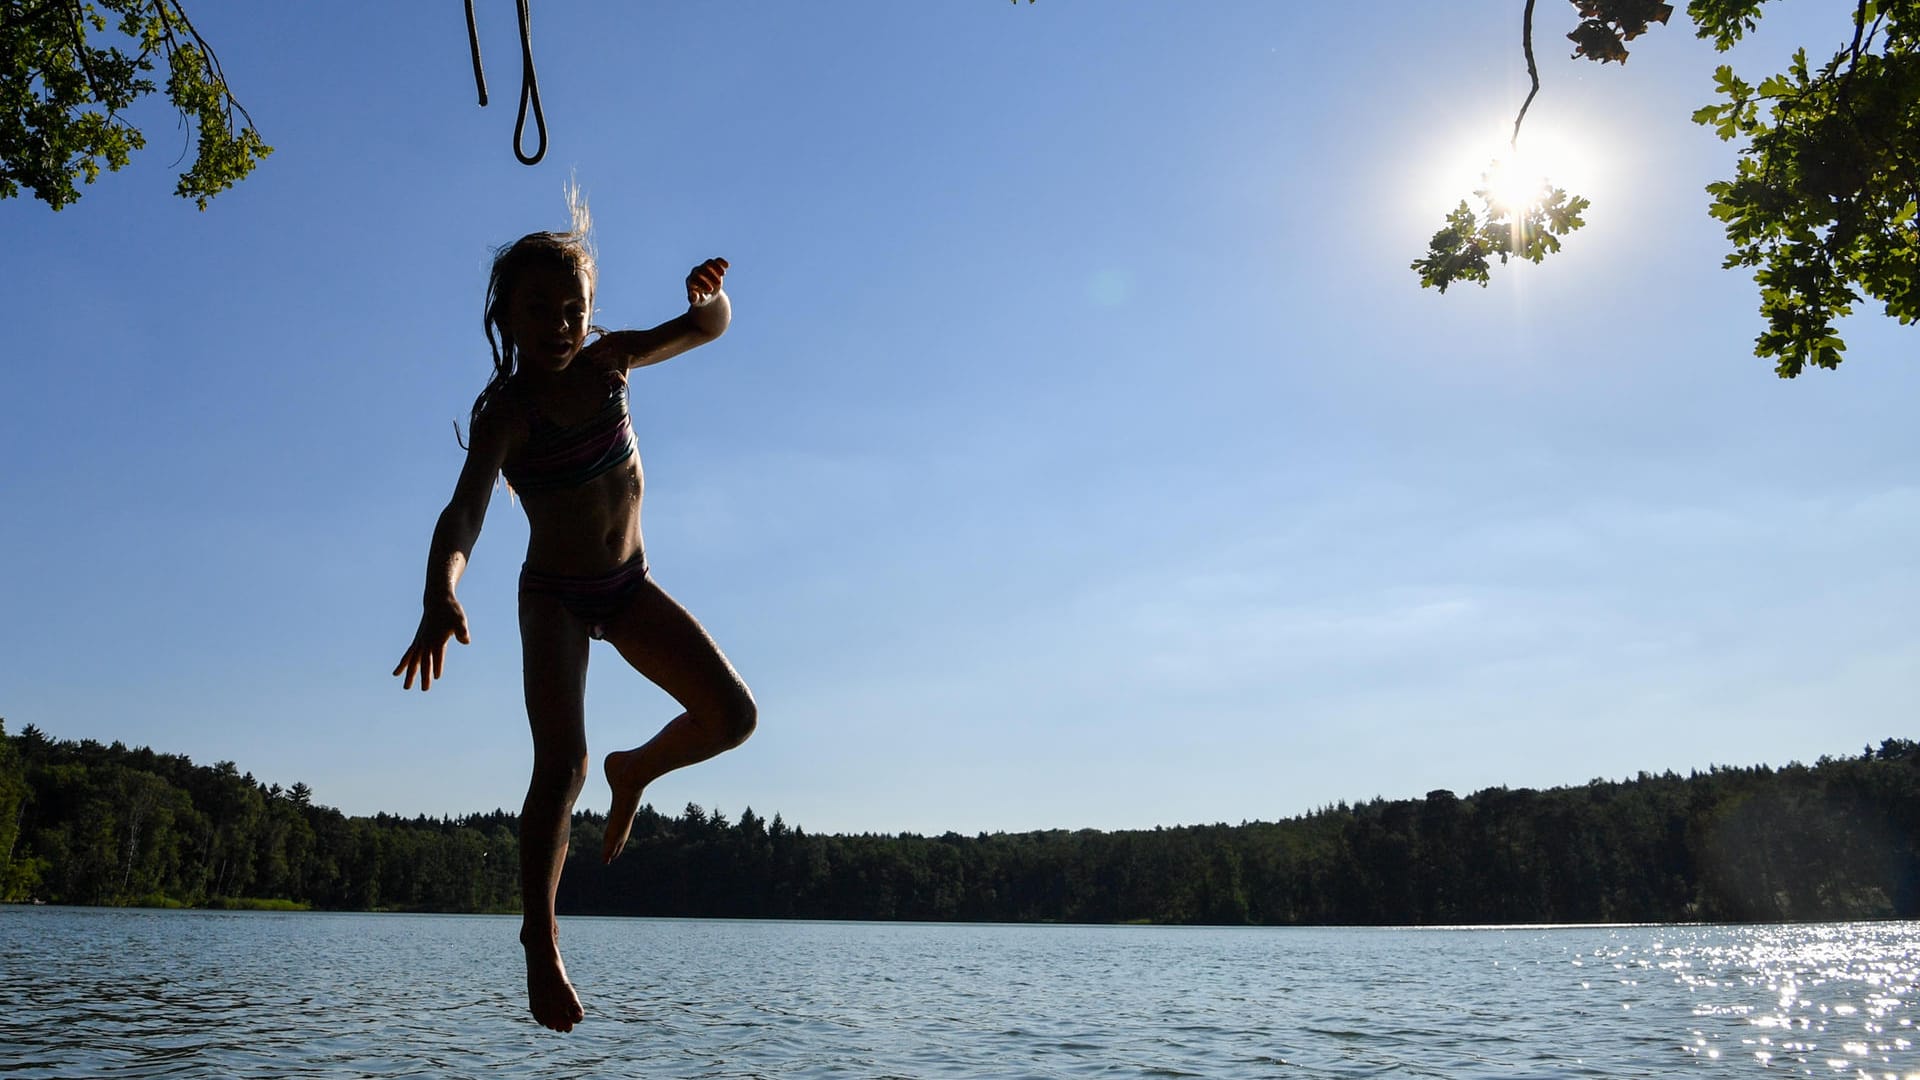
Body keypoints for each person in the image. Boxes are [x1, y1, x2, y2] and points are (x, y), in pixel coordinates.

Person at [393, 198, 756, 1033]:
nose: (559, 325)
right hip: (554, 596)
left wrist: (708, 301)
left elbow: (708, 332)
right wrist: (441, 589)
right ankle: (540, 943)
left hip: (627, 586)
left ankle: (638, 773)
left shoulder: (612, 365)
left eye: (573, 310)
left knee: (733, 716)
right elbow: (466, 514)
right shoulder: (508, 416)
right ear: (505, 317)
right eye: (538, 311)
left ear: (590, 313)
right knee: (560, 768)